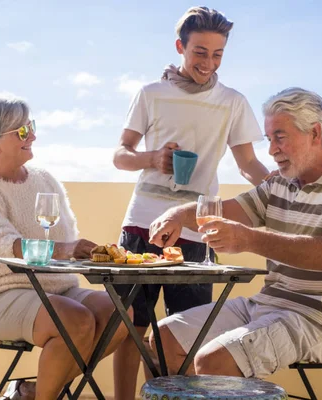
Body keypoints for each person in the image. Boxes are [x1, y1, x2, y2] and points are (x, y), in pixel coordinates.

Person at [112, 6, 271, 397]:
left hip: (200, 230)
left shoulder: (232, 102)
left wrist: (290, 191)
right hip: (142, 224)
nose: (208, 62)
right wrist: (151, 159)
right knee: (133, 326)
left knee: (190, 331)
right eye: (200, 52)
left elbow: (249, 164)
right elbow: (120, 154)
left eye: (217, 54)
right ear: (180, 47)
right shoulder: (151, 93)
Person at [147, 87, 322, 379]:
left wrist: (247, 239)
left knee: (213, 361)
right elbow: (222, 210)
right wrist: (177, 214)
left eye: (280, 137)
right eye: (270, 139)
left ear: (315, 133)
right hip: (268, 303)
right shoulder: (280, 184)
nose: (272, 150)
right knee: (163, 339)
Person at [0, 95, 132, 400]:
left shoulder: (45, 181)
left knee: (120, 313)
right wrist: (66, 249)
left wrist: (88, 251)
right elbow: (5, 247)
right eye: (22, 132)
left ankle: (33, 391)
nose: (33, 136)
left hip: (58, 290)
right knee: (75, 321)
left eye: (31, 127)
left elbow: (67, 235)